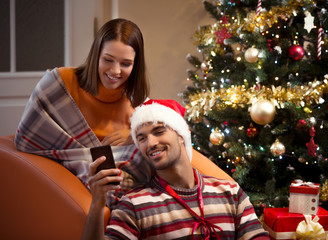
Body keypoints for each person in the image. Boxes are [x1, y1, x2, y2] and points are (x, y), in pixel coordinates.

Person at [14, 18, 153, 209]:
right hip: (75, 173)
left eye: (126, 64)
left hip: (121, 177)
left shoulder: (136, 99)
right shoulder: (61, 82)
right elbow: (26, 137)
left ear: (136, 65)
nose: (115, 71)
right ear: (96, 54)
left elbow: (150, 149)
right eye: (108, 60)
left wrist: (133, 136)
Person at [82, 99, 270, 240]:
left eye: (159, 132)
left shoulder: (231, 192)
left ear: (181, 136)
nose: (151, 143)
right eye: (142, 138)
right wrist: (97, 202)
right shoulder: (133, 205)